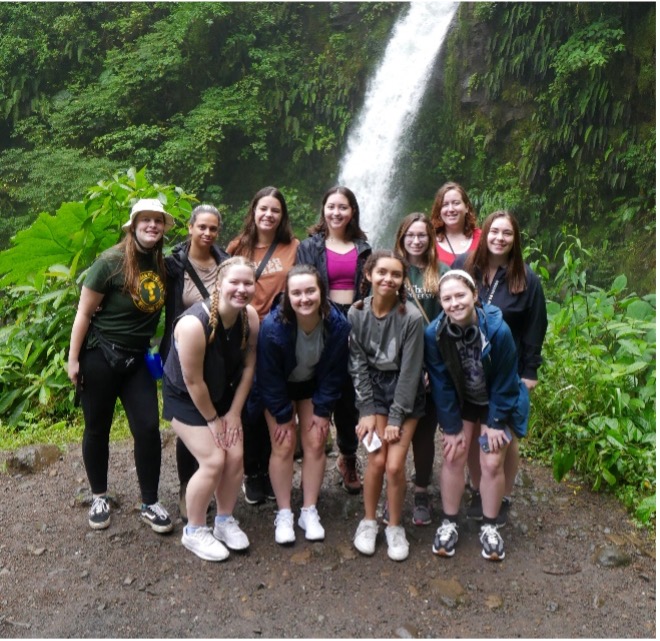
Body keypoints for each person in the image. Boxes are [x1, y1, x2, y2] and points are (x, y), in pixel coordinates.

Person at [67, 198, 175, 533]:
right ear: (133, 225)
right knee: (96, 428)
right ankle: (99, 496)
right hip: (101, 355)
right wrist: (73, 360)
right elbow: (84, 313)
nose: (152, 226)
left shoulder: (162, 264)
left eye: (158, 221)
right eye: (146, 220)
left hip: (138, 358)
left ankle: (150, 501)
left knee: (147, 428)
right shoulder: (110, 261)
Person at [424, 270, 529, 561]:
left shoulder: (498, 330)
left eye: (460, 295)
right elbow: (442, 383)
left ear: (474, 296)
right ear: (441, 302)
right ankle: (449, 521)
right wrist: (451, 426)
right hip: (463, 401)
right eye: (447, 298)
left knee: (492, 459)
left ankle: (490, 526)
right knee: (453, 453)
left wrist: (495, 423)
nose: (454, 303)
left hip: (497, 401)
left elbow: (508, 380)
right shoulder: (434, 334)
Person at [162, 257, 259, 561]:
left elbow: (248, 368)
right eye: (235, 282)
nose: (241, 289)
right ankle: (194, 530)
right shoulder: (193, 324)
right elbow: (192, 381)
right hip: (186, 398)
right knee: (214, 459)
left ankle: (224, 520)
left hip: (224, 395)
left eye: (248, 283)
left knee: (236, 456)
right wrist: (214, 421)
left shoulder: (250, 317)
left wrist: (232, 414)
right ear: (219, 283)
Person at [455, 210, 548, 525]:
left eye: (507, 233)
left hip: (509, 370)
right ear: (485, 233)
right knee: (473, 430)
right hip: (468, 368)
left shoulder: (526, 278)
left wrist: (530, 371)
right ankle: (478, 486)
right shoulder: (465, 267)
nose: (499, 238)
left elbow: (537, 326)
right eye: (494, 231)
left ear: (515, 239)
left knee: (504, 435)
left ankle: (504, 494)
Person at [255, 265, 351, 545]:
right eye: (296, 293)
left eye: (310, 291)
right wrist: (284, 416)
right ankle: (284, 511)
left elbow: (335, 373)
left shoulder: (337, 324)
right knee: (283, 443)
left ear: (322, 292)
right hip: (280, 388)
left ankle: (309, 510)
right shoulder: (273, 327)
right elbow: (267, 377)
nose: (304, 298)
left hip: (312, 385)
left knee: (316, 440)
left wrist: (322, 412)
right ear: (287, 295)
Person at [350, 251, 425, 561]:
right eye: (382, 272)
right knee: (377, 461)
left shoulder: (411, 318)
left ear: (402, 280)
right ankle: (368, 521)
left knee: (395, 465)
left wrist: (395, 417)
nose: (388, 279)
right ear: (369, 274)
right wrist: (366, 409)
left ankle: (394, 526)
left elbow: (410, 372)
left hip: (405, 395)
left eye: (395, 274)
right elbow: (357, 364)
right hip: (373, 393)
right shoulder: (356, 313)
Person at [296, 185, 372, 494]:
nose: (336, 212)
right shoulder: (310, 246)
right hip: (321, 318)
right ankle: (311, 448)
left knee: (348, 392)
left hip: (354, 319)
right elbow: (300, 282)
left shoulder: (363, 247)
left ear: (352, 211)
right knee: (314, 384)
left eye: (343, 207)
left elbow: (369, 288)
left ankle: (348, 456)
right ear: (323, 210)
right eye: (331, 206)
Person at [228, 186, 300, 505]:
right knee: (247, 405)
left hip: (279, 338)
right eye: (263, 209)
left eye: (275, 210)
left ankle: (274, 469)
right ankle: (252, 471)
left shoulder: (294, 247)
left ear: (282, 215)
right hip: (243, 335)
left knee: (275, 400)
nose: (269, 215)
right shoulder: (237, 247)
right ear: (253, 211)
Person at [162, 204, 229, 522]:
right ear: (190, 228)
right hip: (184, 352)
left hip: (220, 355)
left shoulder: (224, 261)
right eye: (201, 226)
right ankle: (186, 488)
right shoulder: (173, 264)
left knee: (216, 416)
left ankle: (213, 483)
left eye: (213, 228)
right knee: (191, 424)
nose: (207, 233)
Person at [392, 213, 448, 526]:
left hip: (433, 364)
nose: (416, 241)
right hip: (397, 365)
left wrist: (429, 365)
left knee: (425, 432)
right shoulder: (392, 270)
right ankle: (394, 490)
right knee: (396, 430)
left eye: (422, 235)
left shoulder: (442, 272)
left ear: (430, 239)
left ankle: (423, 490)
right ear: (401, 237)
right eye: (410, 235)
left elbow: (449, 318)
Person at [429, 182, 481, 267]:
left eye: (456, 203)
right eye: (445, 205)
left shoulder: (482, 238)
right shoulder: (430, 241)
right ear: (439, 210)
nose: (450, 209)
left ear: (466, 207)